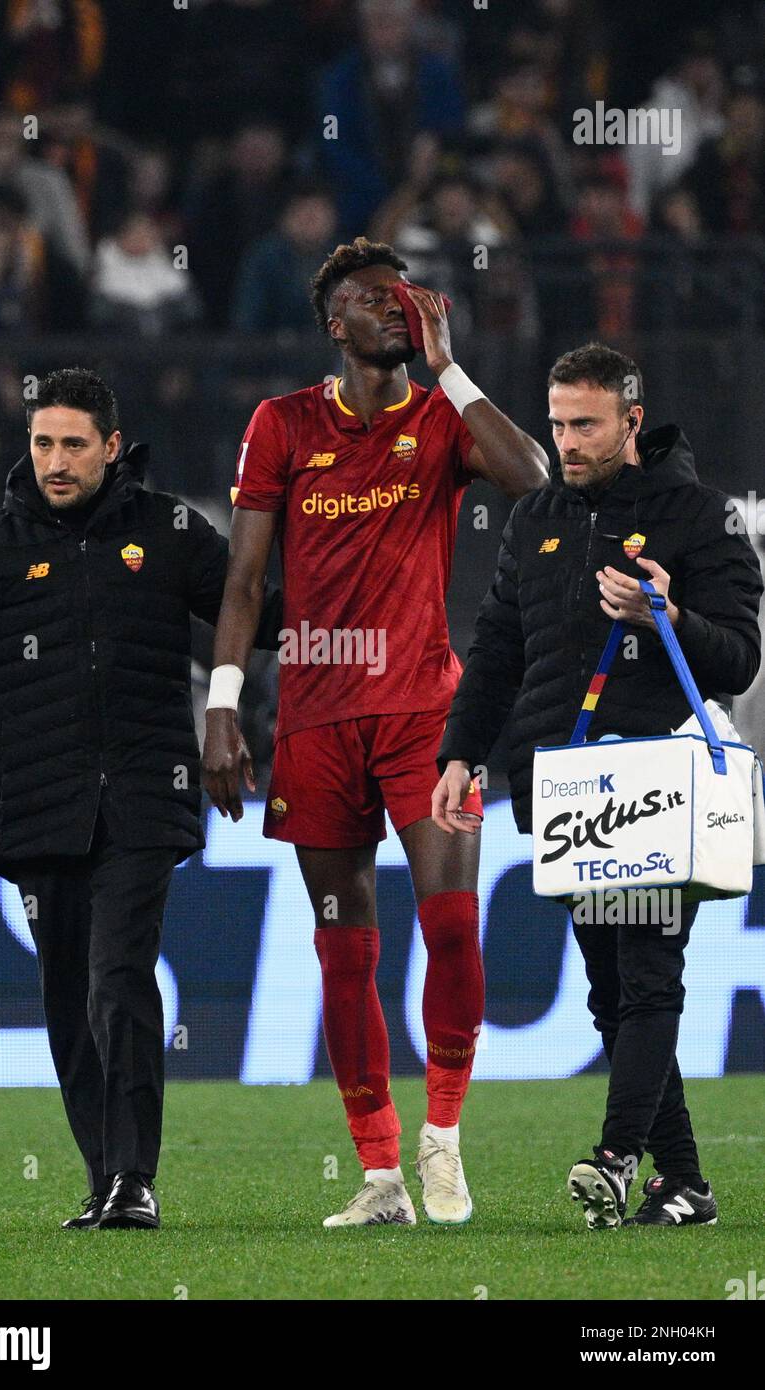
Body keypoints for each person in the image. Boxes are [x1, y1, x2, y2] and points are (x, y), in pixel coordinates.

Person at [202, 236, 548, 1228]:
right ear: (331, 323)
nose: (394, 309)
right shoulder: (282, 424)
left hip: (424, 713)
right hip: (313, 717)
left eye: (402, 296)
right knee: (341, 953)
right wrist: (223, 703)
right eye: (370, 299)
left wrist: (451, 370)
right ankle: (382, 1173)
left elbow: (533, 477)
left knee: (449, 923)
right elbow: (242, 581)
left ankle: (442, 1135)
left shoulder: (439, 418)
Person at [0, 367, 281, 1231]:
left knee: (119, 977)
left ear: (113, 449)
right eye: (43, 442)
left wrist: (355, 588)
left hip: (149, 797)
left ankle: (135, 1179)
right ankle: (106, 1175)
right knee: (68, 999)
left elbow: (252, 611)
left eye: (74, 443)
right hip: (39, 805)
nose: (56, 460)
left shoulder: (171, 531)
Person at [433, 341, 762, 1229]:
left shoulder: (698, 517)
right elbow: (498, 651)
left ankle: (616, 1159)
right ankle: (684, 1183)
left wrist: (671, 615)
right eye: (558, 424)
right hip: (565, 789)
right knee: (611, 991)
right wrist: (458, 753)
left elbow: (740, 656)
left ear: (631, 422)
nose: (567, 441)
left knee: (650, 976)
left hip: (657, 778)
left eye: (586, 424)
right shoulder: (534, 515)